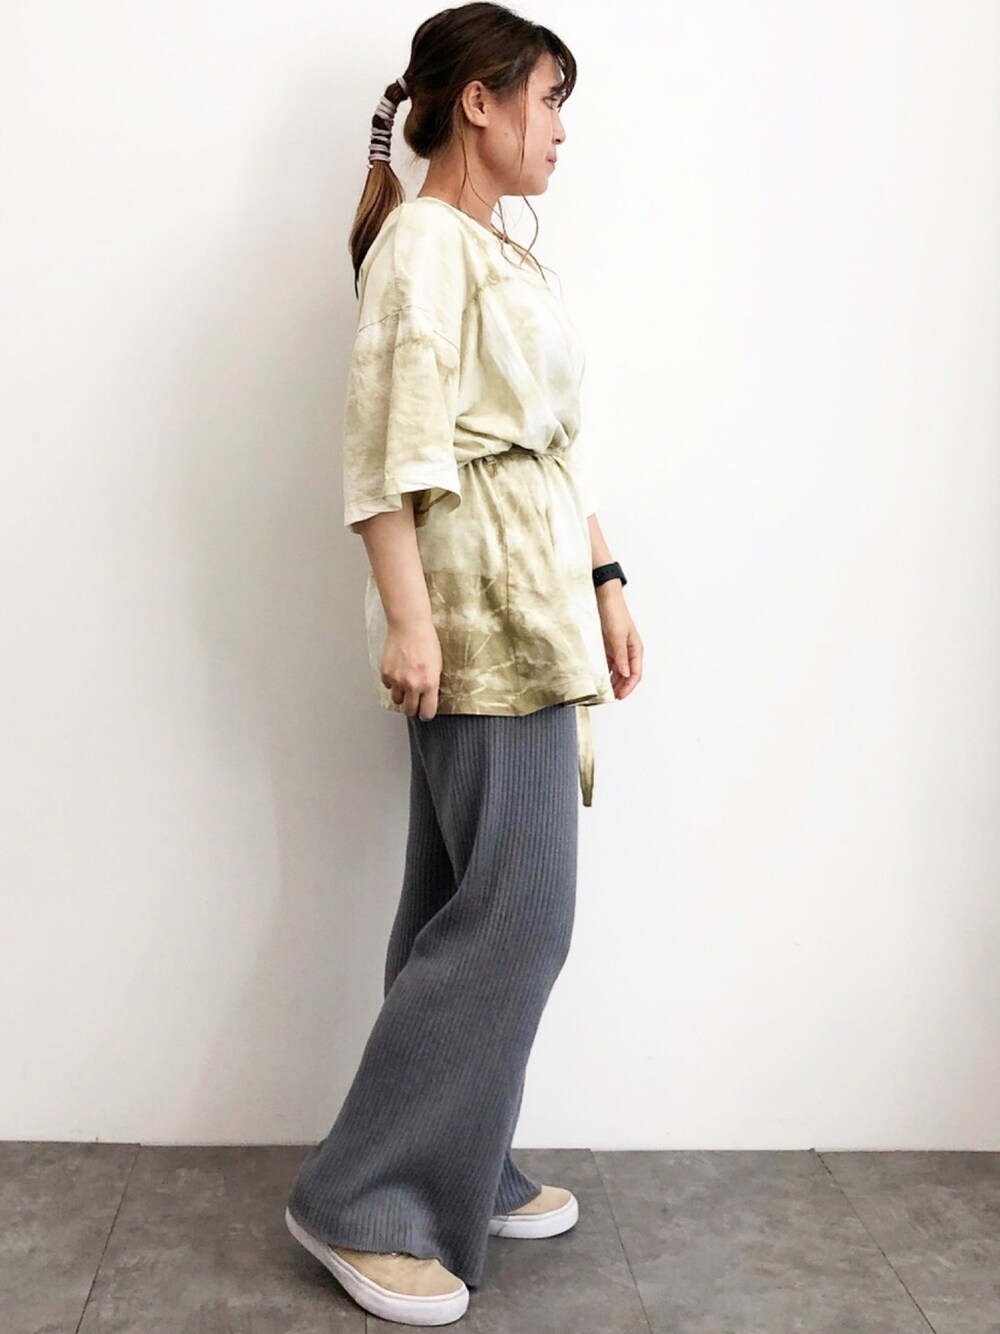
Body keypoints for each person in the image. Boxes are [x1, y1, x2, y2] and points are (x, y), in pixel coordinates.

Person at [285, 2, 643, 1324]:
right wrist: (410, 619)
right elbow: (388, 444)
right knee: (520, 911)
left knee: (458, 900)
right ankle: (363, 1197)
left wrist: (605, 577)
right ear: (478, 102)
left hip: (538, 609)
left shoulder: (498, 252)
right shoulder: (426, 245)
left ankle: (460, 1157)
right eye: (547, 100)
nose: (560, 131)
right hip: (480, 618)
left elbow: (554, 445)